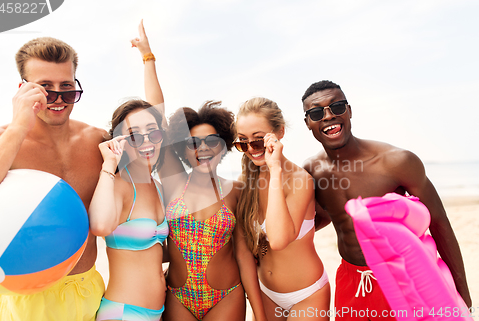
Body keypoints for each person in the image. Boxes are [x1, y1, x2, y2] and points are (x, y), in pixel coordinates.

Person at [301, 80, 472, 320]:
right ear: (308, 122)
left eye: (337, 107)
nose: (328, 116)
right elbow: (326, 216)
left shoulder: (396, 161)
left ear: (349, 111)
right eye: (317, 113)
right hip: (351, 280)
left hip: (401, 277)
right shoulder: (311, 170)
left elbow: (439, 223)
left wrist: (462, 293)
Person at [134, 21, 265, 320]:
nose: (203, 148)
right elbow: (157, 116)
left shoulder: (238, 190)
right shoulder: (172, 179)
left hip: (227, 295)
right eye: (194, 142)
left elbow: (244, 254)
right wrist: (147, 57)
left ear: (224, 145)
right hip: (178, 296)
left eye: (211, 141)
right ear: (182, 149)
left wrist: (260, 315)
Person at [0, 37, 106, 320]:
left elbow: (152, 163)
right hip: (24, 299)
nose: (58, 99)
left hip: (88, 290)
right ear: (23, 89)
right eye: (45, 89)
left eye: (67, 87)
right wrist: (18, 127)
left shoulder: (97, 141)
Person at [235, 97, 330, 320]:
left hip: (307, 294)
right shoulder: (246, 181)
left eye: (258, 141)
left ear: (280, 133)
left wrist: (274, 169)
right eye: (242, 142)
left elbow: (278, 241)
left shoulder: (300, 180)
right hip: (266, 292)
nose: (251, 149)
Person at [89, 100, 167, 321]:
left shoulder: (158, 187)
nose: (146, 141)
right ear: (121, 141)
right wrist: (109, 164)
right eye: (134, 136)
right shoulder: (120, 183)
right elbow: (100, 225)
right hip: (124, 313)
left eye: (153, 132)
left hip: (157, 313)